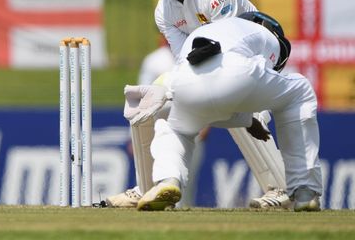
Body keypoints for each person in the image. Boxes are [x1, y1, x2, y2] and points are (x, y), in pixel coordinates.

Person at [105, 0, 291, 210]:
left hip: (255, 60)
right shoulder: (164, 10)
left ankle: (282, 189)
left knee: (237, 101)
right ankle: (146, 188)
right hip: (206, 66)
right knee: (149, 102)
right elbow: (182, 59)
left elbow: (229, 48)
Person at [130, 12, 322, 212]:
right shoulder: (266, 34)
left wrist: (247, 122)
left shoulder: (210, 29)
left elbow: (215, 104)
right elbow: (236, 89)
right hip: (236, 72)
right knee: (300, 91)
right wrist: (251, 119)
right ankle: (304, 191)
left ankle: (168, 179)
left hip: (184, 81)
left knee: (172, 129)